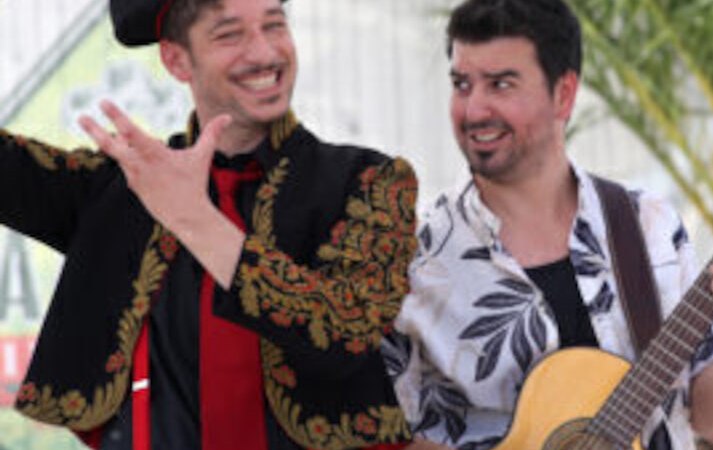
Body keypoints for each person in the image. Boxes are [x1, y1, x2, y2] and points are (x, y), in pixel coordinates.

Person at [6, 0, 417, 448]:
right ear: (176, 59)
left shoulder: (368, 180)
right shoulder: (122, 189)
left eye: (274, 25)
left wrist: (195, 217)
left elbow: (347, 329)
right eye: (230, 34)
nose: (264, 53)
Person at [384, 0, 713, 449]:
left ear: (564, 94)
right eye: (462, 84)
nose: (474, 110)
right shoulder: (414, 261)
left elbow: (710, 415)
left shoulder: (647, 226)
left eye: (500, 84)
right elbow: (391, 434)